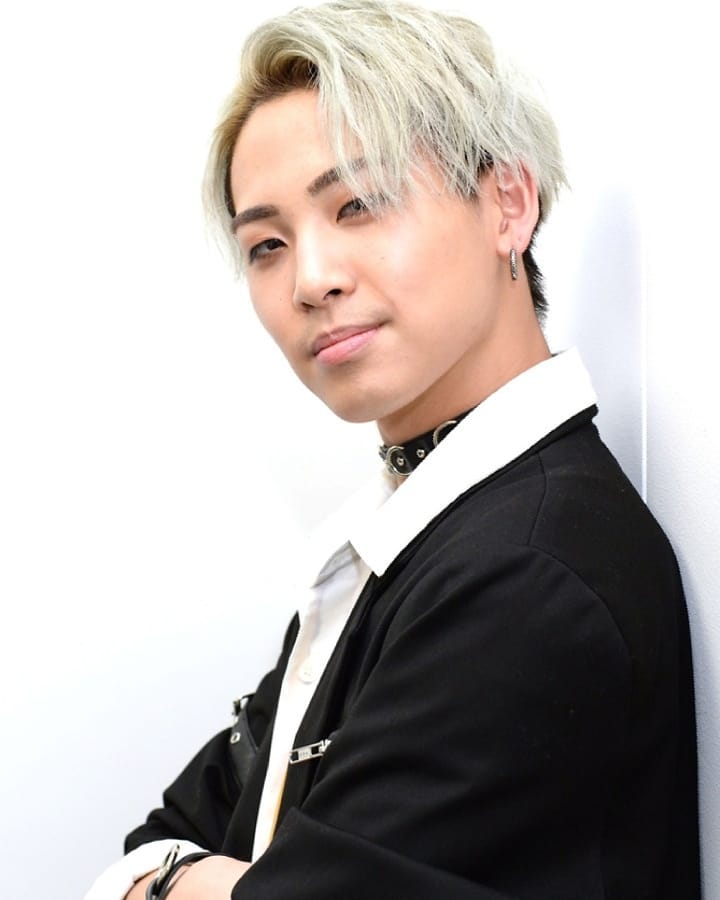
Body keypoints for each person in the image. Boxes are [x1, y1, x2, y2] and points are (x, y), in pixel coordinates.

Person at [85, 1, 701, 897]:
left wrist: (175, 882)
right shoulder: (415, 538)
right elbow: (159, 837)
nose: (311, 279)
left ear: (508, 204)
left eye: (359, 204)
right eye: (266, 244)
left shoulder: (525, 574)